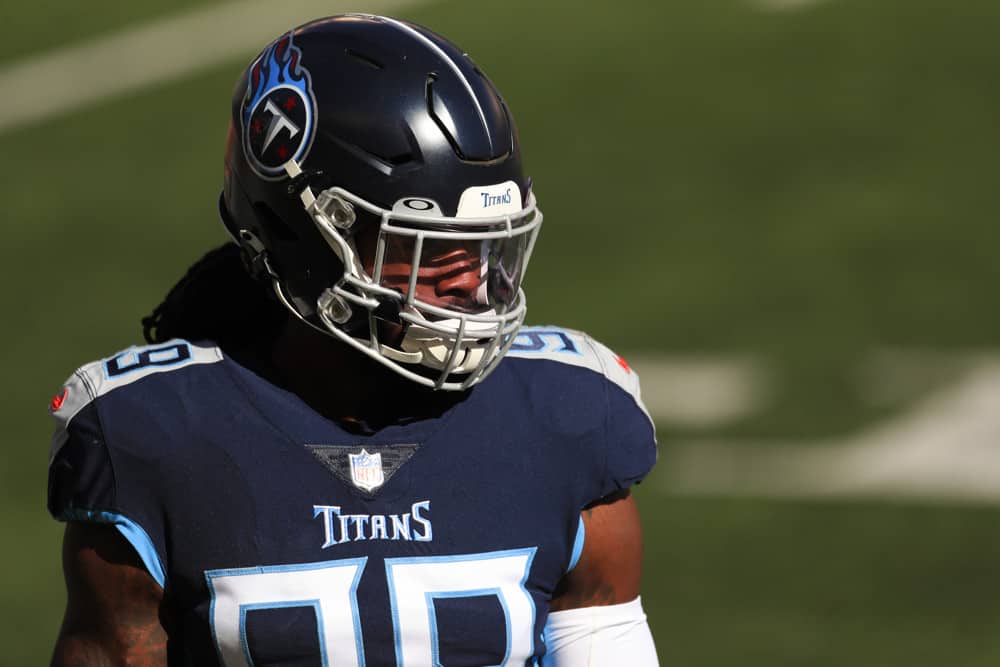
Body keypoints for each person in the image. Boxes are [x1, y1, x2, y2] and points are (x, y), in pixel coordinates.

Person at [47, 14, 659, 667]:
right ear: (302, 234)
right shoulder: (157, 440)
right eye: (425, 248)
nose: (472, 286)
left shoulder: (568, 421)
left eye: (484, 248)